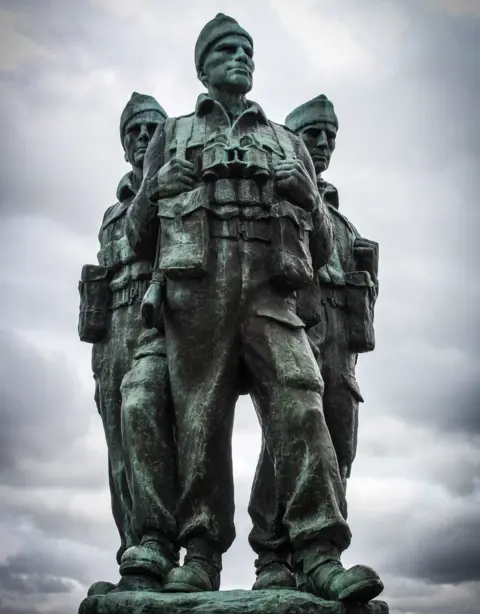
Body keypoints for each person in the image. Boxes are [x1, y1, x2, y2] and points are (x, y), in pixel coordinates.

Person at [119, 14, 383, 604]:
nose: (240, 57)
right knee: (200, 421)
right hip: (198, 288)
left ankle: (318, 551)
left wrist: (307, 195)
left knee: (301, 397)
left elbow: (318, 247)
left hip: (270, 290)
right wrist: (159, 185)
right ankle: (201, 553)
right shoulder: (176, 132)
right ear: (203, 65)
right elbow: (136, 238)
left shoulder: (287, 143)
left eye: (247, 50)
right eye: (226, 50)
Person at [248, 94, 380, 592]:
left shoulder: (346, 228)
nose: (322, 143)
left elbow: (362, 300)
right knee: (286, 445)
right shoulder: (273, 202)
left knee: (337, 453)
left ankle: (315, 562)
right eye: (312, 133)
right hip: (291, 340)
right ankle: (274, 555)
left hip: (340, 360)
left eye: (330, 135)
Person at [78, 92, 169, 595]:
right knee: (118, 450)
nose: (141, 137)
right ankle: (132, 556)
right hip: (112, 328)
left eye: (150, 128)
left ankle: (163, 551)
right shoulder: (113, 210)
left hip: (157, 321)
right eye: (132, 130)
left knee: (155, 438)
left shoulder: (176, 185)